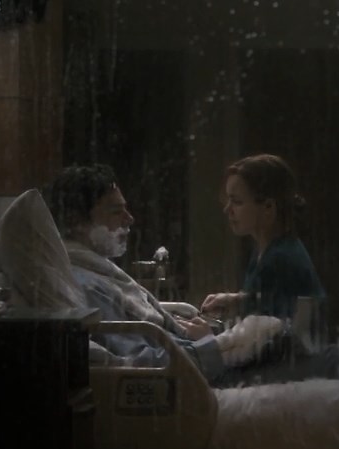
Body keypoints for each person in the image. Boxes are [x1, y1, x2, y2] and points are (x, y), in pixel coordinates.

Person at [46, 164, 229, 382]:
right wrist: (209, 347)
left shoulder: (101, 273)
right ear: (76, 221)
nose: (129, 218)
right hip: (188, 381)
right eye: (116, 211)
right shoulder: (87, 287)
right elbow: (143, 363)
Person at [201, 154, 326, 324]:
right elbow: (270, 300)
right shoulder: (267, 249)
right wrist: (238, 300)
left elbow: (264, 330)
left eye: (237, 202)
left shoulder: (279, 259)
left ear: (268, 207)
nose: (227, 209)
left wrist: (206, 335)